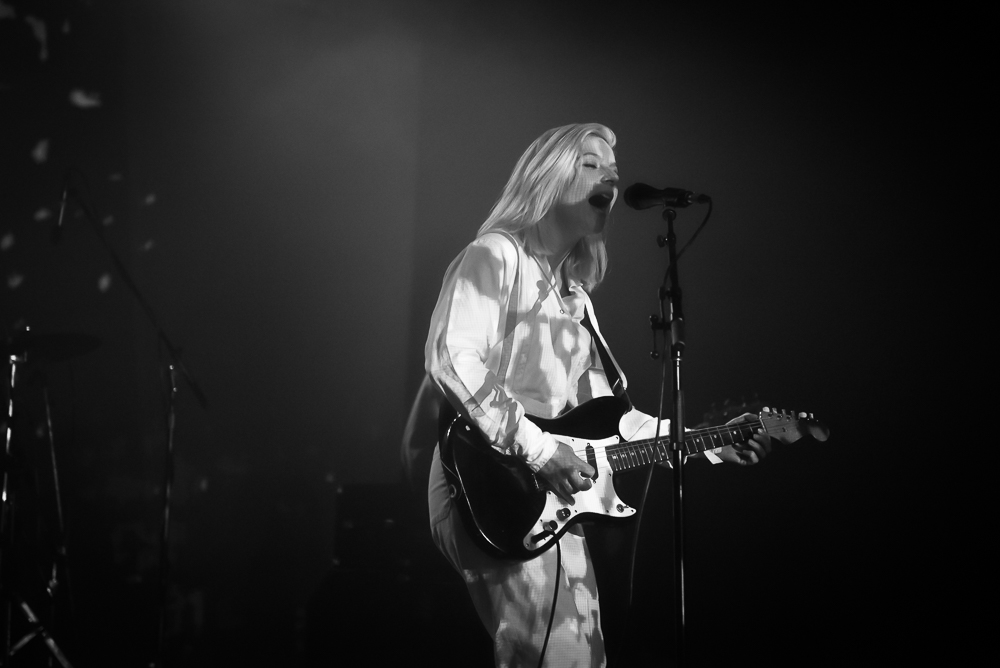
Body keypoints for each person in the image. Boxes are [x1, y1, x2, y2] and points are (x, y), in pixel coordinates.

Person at [423, 123, 771, 667]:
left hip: (549, 495)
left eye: (613, 167)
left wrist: (711, 442)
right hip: (490, 478)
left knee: (581, 654)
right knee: (550, 654)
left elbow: (615, 422)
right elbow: (452, 358)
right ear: (548, 176)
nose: (610, 173)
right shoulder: (495, 255)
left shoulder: (575, 300)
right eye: (591, 163)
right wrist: (540, 451)